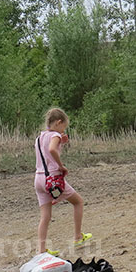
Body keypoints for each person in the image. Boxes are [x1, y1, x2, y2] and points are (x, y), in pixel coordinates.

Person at [35, 107, 92, 255]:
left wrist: (61, 141)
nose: (63, 131)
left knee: (45, 216)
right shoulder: (55, 136)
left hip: (39, 178)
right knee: (78, 201)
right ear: (59, 122)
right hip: (52, 178)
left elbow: (46, 151)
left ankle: (42, 250)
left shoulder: (40, 137)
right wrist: (61, 166)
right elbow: (53, 150)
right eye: (63, 127)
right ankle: (78, 236)